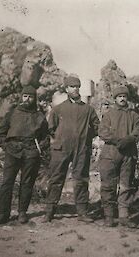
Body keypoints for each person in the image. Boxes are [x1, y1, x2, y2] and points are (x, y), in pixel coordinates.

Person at [43, 76, 100, 222]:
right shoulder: (58, 109)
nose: (75, 89)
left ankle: (82, 212)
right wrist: (62, 138)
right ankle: (49, 211)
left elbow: (96, 128)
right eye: (71, 86)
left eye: (77, 86)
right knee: (56, 178)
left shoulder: (88, 110)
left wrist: (85, 139)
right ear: (66, 89)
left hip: (81, 149)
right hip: (61, 149)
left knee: (81, 179)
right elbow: (51, 128)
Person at [0, 85, 49, 224]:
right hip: (12, 151)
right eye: (25, 96)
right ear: (21, 97)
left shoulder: (39, 116)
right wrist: (5, 146)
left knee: (27, 183)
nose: (27, 99)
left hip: (31, 153)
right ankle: (3, 214)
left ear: (34, 99)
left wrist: (38, 149)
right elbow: (1, 132)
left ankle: (22, 212)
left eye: (30, 97)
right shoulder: (12, 113)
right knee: (7, 182)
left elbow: (45, 137)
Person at [98, 85, 139, 227]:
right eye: (119, 96)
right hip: (110, 154)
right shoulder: (109, 114)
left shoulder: (133, 115)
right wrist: (117, 140)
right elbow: (102, 132)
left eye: (124, 96)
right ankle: (109, 216)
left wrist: (128, 140)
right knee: (108, 186)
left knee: (125, 185)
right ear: (115, 98)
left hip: (128, 155)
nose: (122, 99)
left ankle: (124, 216)